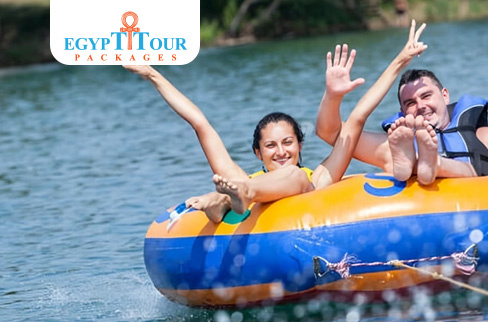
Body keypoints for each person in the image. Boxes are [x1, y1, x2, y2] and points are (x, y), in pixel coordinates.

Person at [125, 21, 428, 222]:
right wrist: (152, 73)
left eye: (287, 142)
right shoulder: (239, 179)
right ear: (258, 153)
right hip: (242, 191)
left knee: (294, 178)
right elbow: (199, 123)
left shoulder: (319, 178)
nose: (281, 152)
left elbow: (357, 117)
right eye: (270, 146)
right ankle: (221, 202)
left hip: (247, 192)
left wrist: (400, 60)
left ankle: (223, 202)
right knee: (240, 186)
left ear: (299, 145)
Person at [315, 49, 488, 186]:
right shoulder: (395, 141)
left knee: (460, 169)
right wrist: (332, 96)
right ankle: (417, 164)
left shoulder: (483, 137)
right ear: (402, 112)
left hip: (485, 207)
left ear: (445, 95)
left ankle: (431, 164)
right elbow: (332, 134)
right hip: (428, 217)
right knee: (400, 153)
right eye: (410, 103)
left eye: (426, 96)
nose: (420, 106)